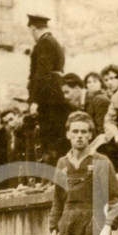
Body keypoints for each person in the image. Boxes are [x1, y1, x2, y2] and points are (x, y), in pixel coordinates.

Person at [27, 13, 70, 164]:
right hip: (55, 95)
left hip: (47, 99)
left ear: (33, 28)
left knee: (49, 140)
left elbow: (42, 74)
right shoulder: (55, 43)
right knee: (55, 138)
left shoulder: (43, 43)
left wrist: (35, 101)